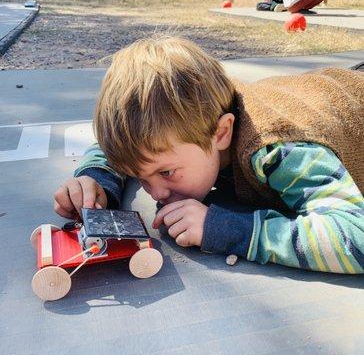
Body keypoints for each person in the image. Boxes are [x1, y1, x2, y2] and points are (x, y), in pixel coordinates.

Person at [54, 36, 364, 274]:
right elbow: (132, 148)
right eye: (139, 176)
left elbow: (356, 239)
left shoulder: (277, 148)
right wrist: (96, 178)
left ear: (221, 134)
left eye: (166, 172)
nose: (157, 193)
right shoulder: (195, 120)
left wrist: (226, 229)